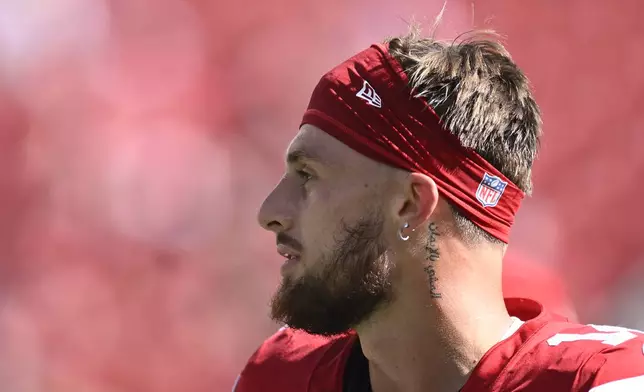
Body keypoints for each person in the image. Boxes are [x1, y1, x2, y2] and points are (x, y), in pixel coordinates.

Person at [234, 26, 644, 392]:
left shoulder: (605, 381)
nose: (270, 212)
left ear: (411, 205)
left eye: (308, 175)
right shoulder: (278, 375)